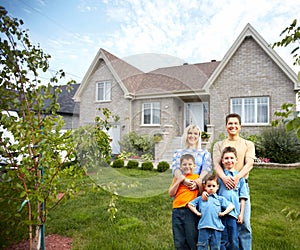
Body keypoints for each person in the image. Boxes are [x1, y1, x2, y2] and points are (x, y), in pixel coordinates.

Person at [213, 113, 255, 250]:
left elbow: (249, 163)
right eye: (230, 123)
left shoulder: (248, 144)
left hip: (241, 186)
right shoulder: (219, 145)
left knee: (244, 223)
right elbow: (216, 165)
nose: (233, 126)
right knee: (224, 221)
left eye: (235, 123)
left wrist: (237, 178)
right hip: (223, 188)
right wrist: (225, 179)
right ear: (226, 126)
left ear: (240, 126)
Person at [188, 175, 234, 250]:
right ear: (205, 187)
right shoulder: (201, 198)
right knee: (202, 247)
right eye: (209, 186)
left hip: (216, 228)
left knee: (215, 247)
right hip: (204, 227)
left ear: (217, 187)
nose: (211, 188)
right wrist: (197, 213)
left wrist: (224, 213)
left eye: (213, 186)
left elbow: (231, 206)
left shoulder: (220, 199)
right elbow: (190, 204)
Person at [169, 154, 202, 250]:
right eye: (184, 164)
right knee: (179, 237)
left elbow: (200, 195)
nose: (187, 166)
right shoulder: (178, 178)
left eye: (190, 164)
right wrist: (179, 181)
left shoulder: (197, 177)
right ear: (180, 166)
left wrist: (199, 185)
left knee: (191, 236)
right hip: (177, 210)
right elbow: (171, 193)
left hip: (190, 211)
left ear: (194, 166)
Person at [218, 146, 248, 250]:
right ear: (222, 161)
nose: (229, 160)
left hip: (234, 214)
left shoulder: (240, 179)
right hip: (220, 214)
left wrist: (241, 213)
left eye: (231, 158)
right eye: (226, 158)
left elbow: (242, 198)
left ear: (236, 160)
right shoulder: (219, 178)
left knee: (234, 239)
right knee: (221, 239)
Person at [172, 124, 212, 191]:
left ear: (199, 136)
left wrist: (198, 181)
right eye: (190, 133)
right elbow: (176, 169)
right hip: (182, 185)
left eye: (195, 134)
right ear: (186, 135)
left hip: (198, 186)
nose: (192, 136)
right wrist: (184, 180)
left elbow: (206, 169)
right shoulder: (178, 153)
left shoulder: (204, 153)